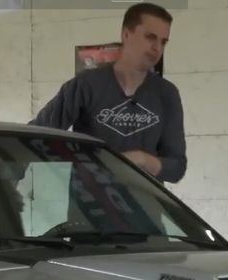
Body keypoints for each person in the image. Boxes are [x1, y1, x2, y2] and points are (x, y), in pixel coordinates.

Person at [30, 3, 187, 184]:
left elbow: (177, 167)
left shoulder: (167, 94)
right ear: (126, 34)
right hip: (90, 205)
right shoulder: (86, 85)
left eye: (163, 41)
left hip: (145, 207)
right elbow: (36, 135)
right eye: (150, 37)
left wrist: (144, 160)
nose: (157, 48)